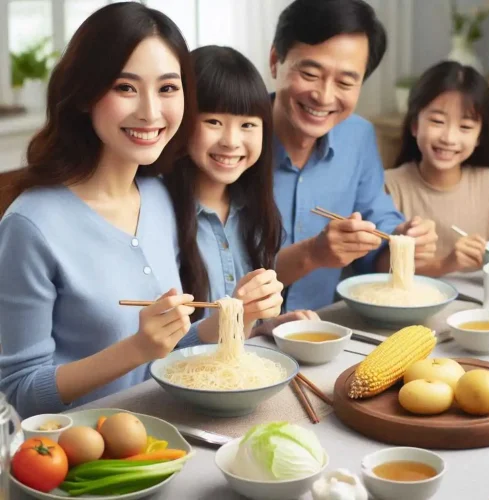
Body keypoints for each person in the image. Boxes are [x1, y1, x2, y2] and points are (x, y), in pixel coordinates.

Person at [0, 2, 199, 418]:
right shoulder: (29, 225)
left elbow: (170, 349)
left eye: (167, 88)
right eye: (125, 87)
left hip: (166, 437)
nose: (150, 111)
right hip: (78, 461)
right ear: (84, 95)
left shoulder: (160, 197)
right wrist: (136, 349)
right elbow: (20, 392)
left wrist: (242, 314)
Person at [269, 0, 438, 312]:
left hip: (324, 334)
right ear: (275, 60)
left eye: (346, 82)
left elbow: (376, 229)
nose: (324, 96)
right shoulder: (230, 144)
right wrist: (312, 253)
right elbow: (217, 272)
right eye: (310, 73)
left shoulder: (357, 136)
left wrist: (402, 241)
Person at [164, 45, 319, 340]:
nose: (232, 141)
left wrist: (264, 327)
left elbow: (238, 330)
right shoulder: (156, 214)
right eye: (214, 122)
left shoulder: (255, 211)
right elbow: (157, 349)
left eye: (247, 124)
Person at [386, 61, 489, 276]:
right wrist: (447, 263)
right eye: (437, 121)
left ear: (480, 137)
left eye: (465, 127)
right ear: (414, 125)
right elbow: (383, 270)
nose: (449, 138)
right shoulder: (390, 186)